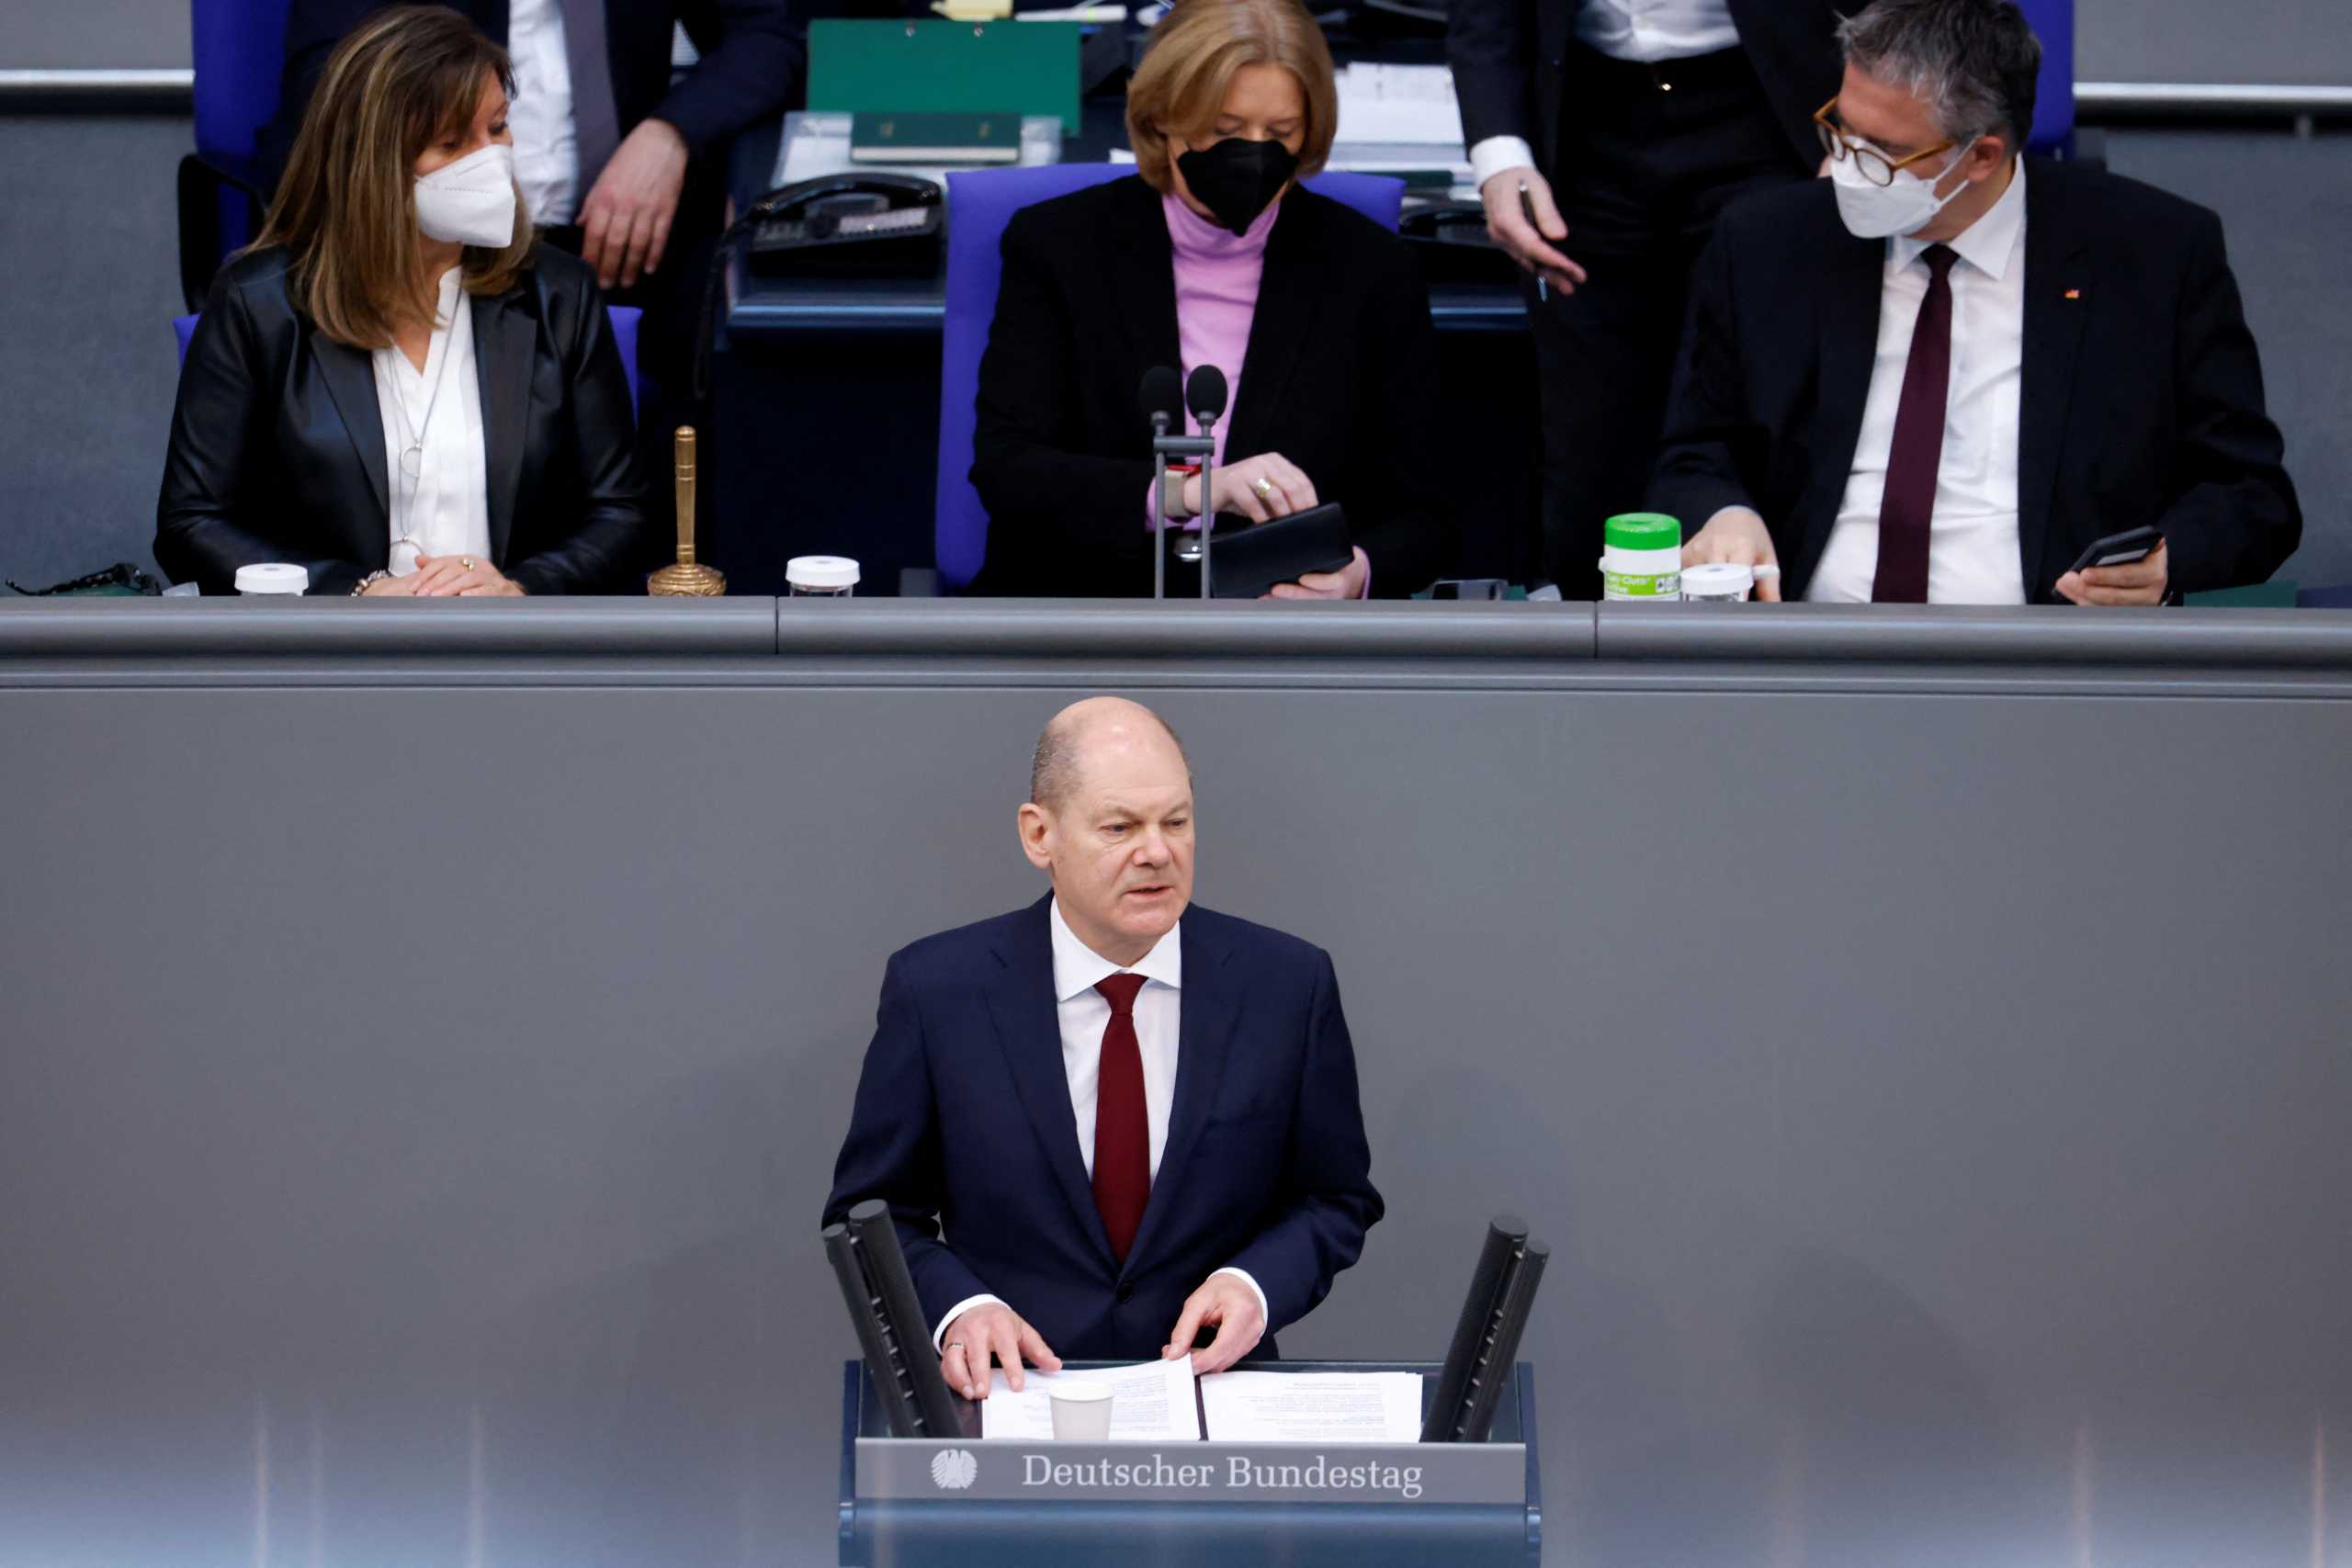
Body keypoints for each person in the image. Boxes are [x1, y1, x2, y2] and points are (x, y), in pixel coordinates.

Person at [1656, 0, 2301, 604]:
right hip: (1810, 648)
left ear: (1981, 157)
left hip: (2050, 666)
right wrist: (1724, 511)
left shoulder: (2153, 255)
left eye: (1883, 151)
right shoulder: (1769, 242)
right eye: (1842, 131)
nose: (1848, 167)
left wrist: (2169, 561)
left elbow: (2251, 496)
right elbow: (1694, 452)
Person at [823, 697, 1382, 1390]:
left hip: (1212, 1404)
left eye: (1176, 822)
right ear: (1039, 835)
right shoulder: (938, 991)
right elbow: (867, 1216)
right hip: (1015, 1399)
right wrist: (961, 1309)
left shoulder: (1287, 986)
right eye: (1120, 826)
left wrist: (1254, 1285)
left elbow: (1335, 1199)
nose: (1157, 851)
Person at [968, 0, 1453, 600]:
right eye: (1224, 131)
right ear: (1161, 118)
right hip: (1087, 614)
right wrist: (1191, 490)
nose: (1252, 154)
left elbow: (1428, 515)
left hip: (1280, 633)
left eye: (1280, 133)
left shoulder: (1372, 268)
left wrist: (1358, 575)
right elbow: (1009, 471)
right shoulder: (1059, 247)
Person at [157, 6, 649, 595]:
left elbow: (623, 515)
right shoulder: (257, 305)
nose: (490, 159)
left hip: (511, 653)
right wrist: (351, 591)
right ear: (374, 165)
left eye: (497, 128)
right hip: (326, 660)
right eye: (450, 143)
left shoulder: (558, 294)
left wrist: (521, 586)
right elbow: (191, 525)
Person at [1448, 0, 1841, 594]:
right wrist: (1498, 155)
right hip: (1583, 115)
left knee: (1761, 408)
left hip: (1768, 105)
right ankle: (1596, 661)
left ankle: (1777, 652)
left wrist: (1860, 128)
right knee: (1590, 446)